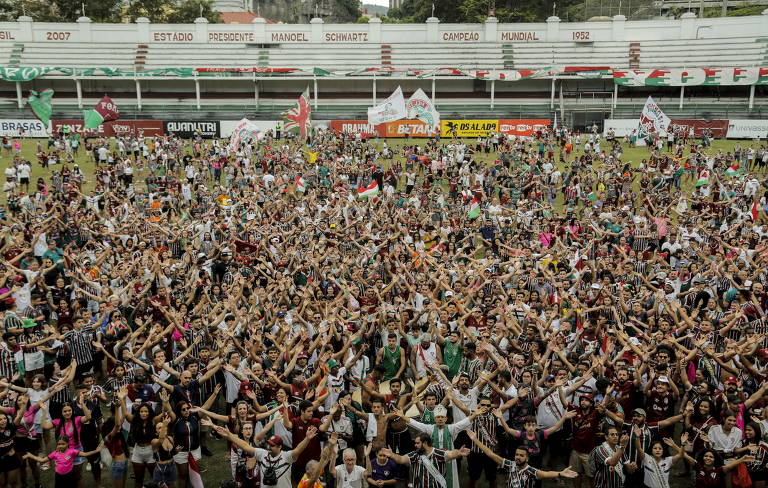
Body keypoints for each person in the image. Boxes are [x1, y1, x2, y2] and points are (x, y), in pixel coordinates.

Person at [465, 430, 578, 488]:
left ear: (527, 458)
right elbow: (490, 453)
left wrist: (560, 474)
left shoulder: (531, 471)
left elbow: (546, 474)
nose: (518, 457)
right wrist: (475, 439)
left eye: (521, 455)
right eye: (517, 455)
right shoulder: (510, 465)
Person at [378, 433, 470, 488]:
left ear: (425, 443)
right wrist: (392, 455)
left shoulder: (438, 453)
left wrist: (459, 452)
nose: (415, 445)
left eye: (418, 443)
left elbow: (451, 454)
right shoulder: (415, 454)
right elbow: (401, 459)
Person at [23, 435, 104, 488]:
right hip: (59, 477)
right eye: (59, 444)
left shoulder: (72, 451)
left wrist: (96, 451)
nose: (60, 446)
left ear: (67, 443)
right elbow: (42, 460)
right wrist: (31, 455)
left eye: (63, 444)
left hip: (69, 475)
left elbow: (85, 454)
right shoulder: (55, 453)